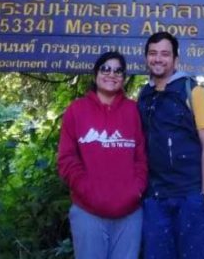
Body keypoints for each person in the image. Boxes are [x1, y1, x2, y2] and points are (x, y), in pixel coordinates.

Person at [58, 51, 148, 259]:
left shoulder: (133, 110)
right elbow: (67, 159)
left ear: (124, 78)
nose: (111, 74)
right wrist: (87, 190)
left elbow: (141, 157)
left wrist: (136, 189)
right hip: (88, 212)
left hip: (129, 214)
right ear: (95, 74)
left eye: (118, 71)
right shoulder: (76, 110)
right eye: (105, 69)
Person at [137, 31, 204, 259]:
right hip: (155, 197)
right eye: (153, 53)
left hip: (190, 195)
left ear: (175, 59)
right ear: (146, 58)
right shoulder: (144, 95)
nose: (158, 59)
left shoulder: (193, 92)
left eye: (164, 54)